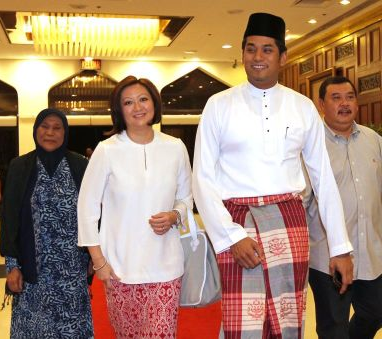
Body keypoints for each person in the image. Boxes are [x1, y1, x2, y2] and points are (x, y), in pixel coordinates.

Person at [192, 12, 354, 339]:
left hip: (289, 222)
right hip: (238, 222)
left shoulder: (302, 107)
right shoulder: (218, 105)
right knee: (243, 324)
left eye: (267, 49)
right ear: (242, 54)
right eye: (251, 49)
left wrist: (340, 247)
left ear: (283, 56)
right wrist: (231, 236)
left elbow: (323, 179)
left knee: (287, 318)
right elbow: (202, 178)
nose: (258, 57)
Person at [78, 75, 192, 338]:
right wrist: (99, 263)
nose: (137, 107)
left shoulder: (175, 148)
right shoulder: (106, 150)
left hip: (166, 266)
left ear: (154, 103)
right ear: (119, 110)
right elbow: (86, 208)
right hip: (119, 269)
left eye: (143, 99)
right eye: (128, 102)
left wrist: (175, 214)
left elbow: (187, 198)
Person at [0, 108, 93, 338]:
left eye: (57, 128)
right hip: (33, 271)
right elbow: (10, 218)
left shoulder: (80, 166)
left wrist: (93, 257)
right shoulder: (20, 167)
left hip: (72, 271)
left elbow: (93, 213)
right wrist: (12, 266)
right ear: (35, 130)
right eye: (45, 126)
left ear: (65, 132)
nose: (50, 133)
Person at [304, 76, 382, 339]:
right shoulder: (311, 146)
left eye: (349, 97)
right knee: (333, 329)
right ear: (321, 105)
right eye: (336, 98)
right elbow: (302, 201)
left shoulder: (373, 140)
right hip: (328, 259)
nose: (344, 103)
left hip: (372, 253)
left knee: (375, 312)